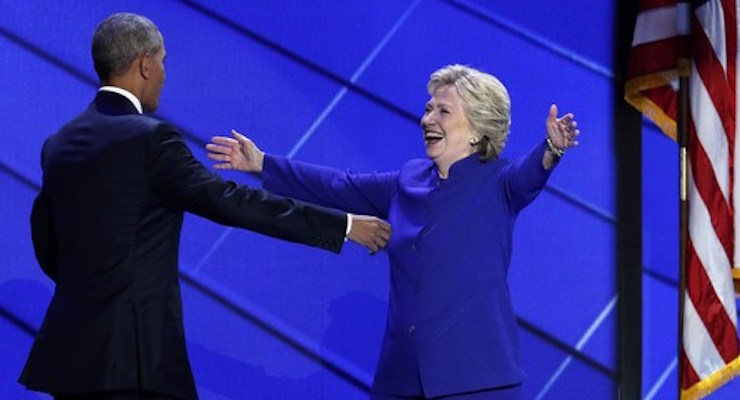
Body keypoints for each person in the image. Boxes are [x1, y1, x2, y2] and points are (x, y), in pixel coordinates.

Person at [19, 12, 391, 400]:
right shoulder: (151, 139)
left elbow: (47, 245)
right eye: (163, 61)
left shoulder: (59, 144)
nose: (164, 73)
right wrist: (344, 225)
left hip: (68, 359)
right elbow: (233, 202)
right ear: (145, 65)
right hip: (136, 362)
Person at [206, 64, 580, 400]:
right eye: (428, 108)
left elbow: (532, 173)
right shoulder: (408, 180)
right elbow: (338, 186)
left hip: (475, 382)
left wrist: (551, 148)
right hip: (400, 381)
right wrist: (263, 164)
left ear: (477, 131)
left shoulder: (500, 182)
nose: (427, 119)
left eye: (443, 111)